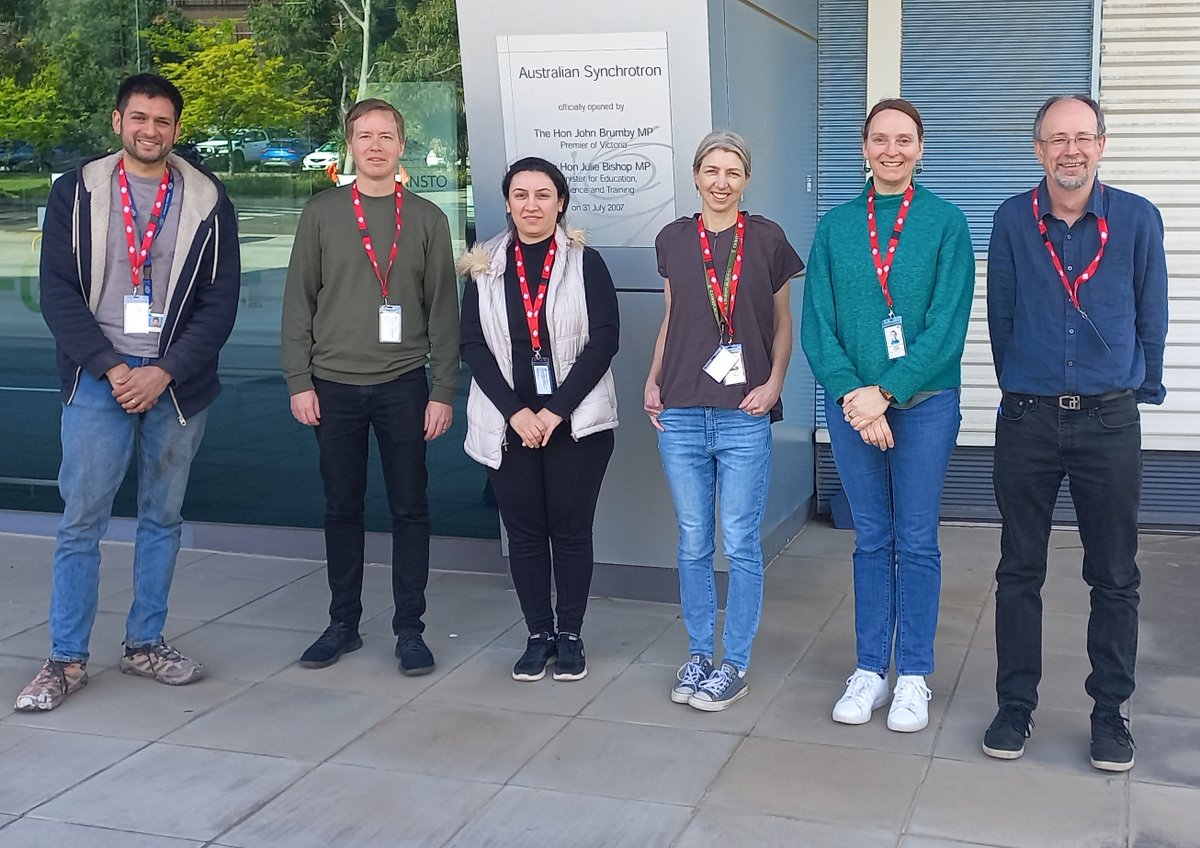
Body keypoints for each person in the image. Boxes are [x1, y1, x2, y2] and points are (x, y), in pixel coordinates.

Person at [15, 73, 241, 712]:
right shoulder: (77, 190)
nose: (151, 131)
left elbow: (219, 304)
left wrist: (163, 371)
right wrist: (114, 368)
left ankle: (145, 644)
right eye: (139, 118)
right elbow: (57, 291)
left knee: (162, 518)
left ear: (177, 129)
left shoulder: (205, 196)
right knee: (81, 521)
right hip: (97, 378)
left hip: (174, 385)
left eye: (163, 121)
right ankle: (66, 659)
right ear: (118, 122)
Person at [983, 95, 1168, 771]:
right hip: (1028, 418)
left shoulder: (1138, 219)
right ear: (1038, 149)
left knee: (1114, 575)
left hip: (1109, 421)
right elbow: (1002, 317)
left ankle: (1109, 713)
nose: (1071, 150)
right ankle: (1014, 705)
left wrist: (1133, 393)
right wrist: (1022, 387)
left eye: (1083, 137)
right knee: (1018, 570)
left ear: (1101, 145)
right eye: (1057, 138)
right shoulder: (1011, 219)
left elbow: (1154, 314)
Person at [801, 98, 974, 733]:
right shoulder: (837, 226)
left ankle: (914, 677)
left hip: (924, 406)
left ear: (920, 148)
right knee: (871, 537)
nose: (891, 149)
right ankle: (871, 668)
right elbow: (820, 325)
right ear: (865, 147)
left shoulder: (946, 223)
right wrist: (856, 394)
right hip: (854, 407)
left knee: (917, 539)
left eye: (904, 139)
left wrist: (889, 393)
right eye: (880, 138)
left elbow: (946, 327)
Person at [282, 99, 459, 676]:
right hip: (332, 385)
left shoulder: (428, 217)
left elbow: (444, 314)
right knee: (342, 508)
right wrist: (298, 381)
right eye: (364, 136)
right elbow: (298, 304)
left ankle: (411, 629)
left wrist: (442, 391)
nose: (376, 145)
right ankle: (343, 624)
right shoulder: (322, 213)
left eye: (386, 135)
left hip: (403, 385)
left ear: (402, 145)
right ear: (350, 145)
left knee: (410, 510)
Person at [645, 131, 803, 711]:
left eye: (732, 171)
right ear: (695, 175)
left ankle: (733, 662)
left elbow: (783, 322)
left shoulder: (766, 240)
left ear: (746, 179)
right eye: (711, 170)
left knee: (738, 542)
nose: (721, 181)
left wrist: (775, 383)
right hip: (682, 411)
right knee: (691, 541)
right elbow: (672, 318)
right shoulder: (673, 240)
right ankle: (696, 654)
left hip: (743, 412)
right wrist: (653, 377)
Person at [458, 157, 619, 682]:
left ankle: (570, 636)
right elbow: (472, 345)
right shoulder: (485, 265)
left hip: (574, 423)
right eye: (521, 195)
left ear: (561, 202)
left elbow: (604, 341)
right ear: (507, 203)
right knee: (524, 534)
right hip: (509, 425)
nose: (532, 204)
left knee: (571, 532)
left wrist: (553, 411)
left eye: (543, 195)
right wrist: (518, 413)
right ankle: (537, 634)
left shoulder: (584, 261)